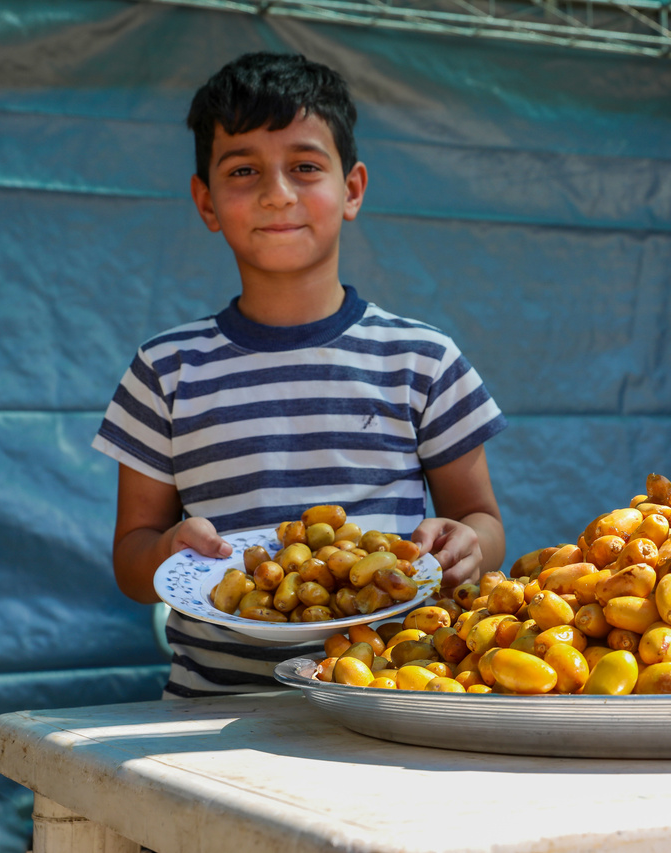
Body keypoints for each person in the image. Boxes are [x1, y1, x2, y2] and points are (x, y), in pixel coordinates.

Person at [92, 52, 507, 698]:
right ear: (205, 200)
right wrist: (167, 550)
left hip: (393, 701)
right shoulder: (165, 369)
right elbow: (131, 558)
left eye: (306, 167)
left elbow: (481, 519)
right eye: (244, 170)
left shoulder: (422, 359)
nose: (276, 193)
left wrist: (465, 545)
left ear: (353, 189)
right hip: (214, 712)